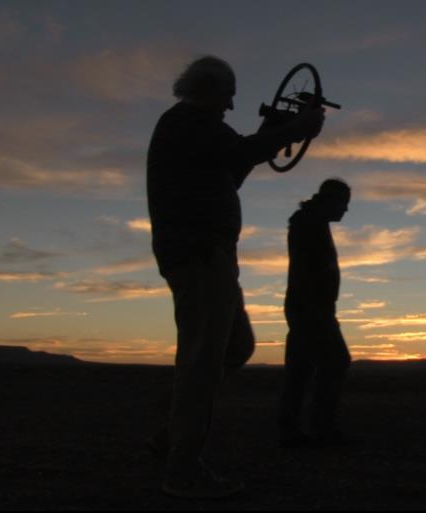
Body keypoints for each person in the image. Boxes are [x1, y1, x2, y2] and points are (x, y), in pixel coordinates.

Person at [147, 55, 324, 498]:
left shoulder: (197, 127)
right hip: (200, 255)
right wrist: (295, 129)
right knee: (204, 360)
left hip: (211, 256)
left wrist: (274, 135)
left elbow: (233, 168)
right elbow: (240, 154)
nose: (230, 105)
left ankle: (173, 435)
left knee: (234, 348)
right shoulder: (188, 122)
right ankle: (182, 470)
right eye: (227, 96)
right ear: (209, 89)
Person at [278, 179, 352, 448]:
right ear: (330, 201)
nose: (345, 210)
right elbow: (309, 270)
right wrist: (318, 308)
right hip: (311, 308)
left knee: (301, 368)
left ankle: (291, 430)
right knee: (336, 361)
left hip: (308, 307)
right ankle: (322, 429)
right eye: (343, 204)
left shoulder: (310, 223)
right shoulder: (308, 225)